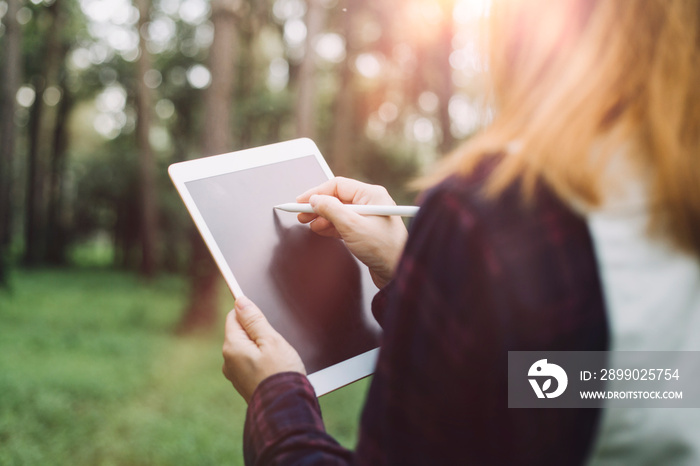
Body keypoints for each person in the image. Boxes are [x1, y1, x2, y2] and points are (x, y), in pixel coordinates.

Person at [221, 0, 700, 464]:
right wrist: (412, 277)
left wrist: (276, 394)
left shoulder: (497, 211)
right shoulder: (672, 189)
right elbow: (617, 382)